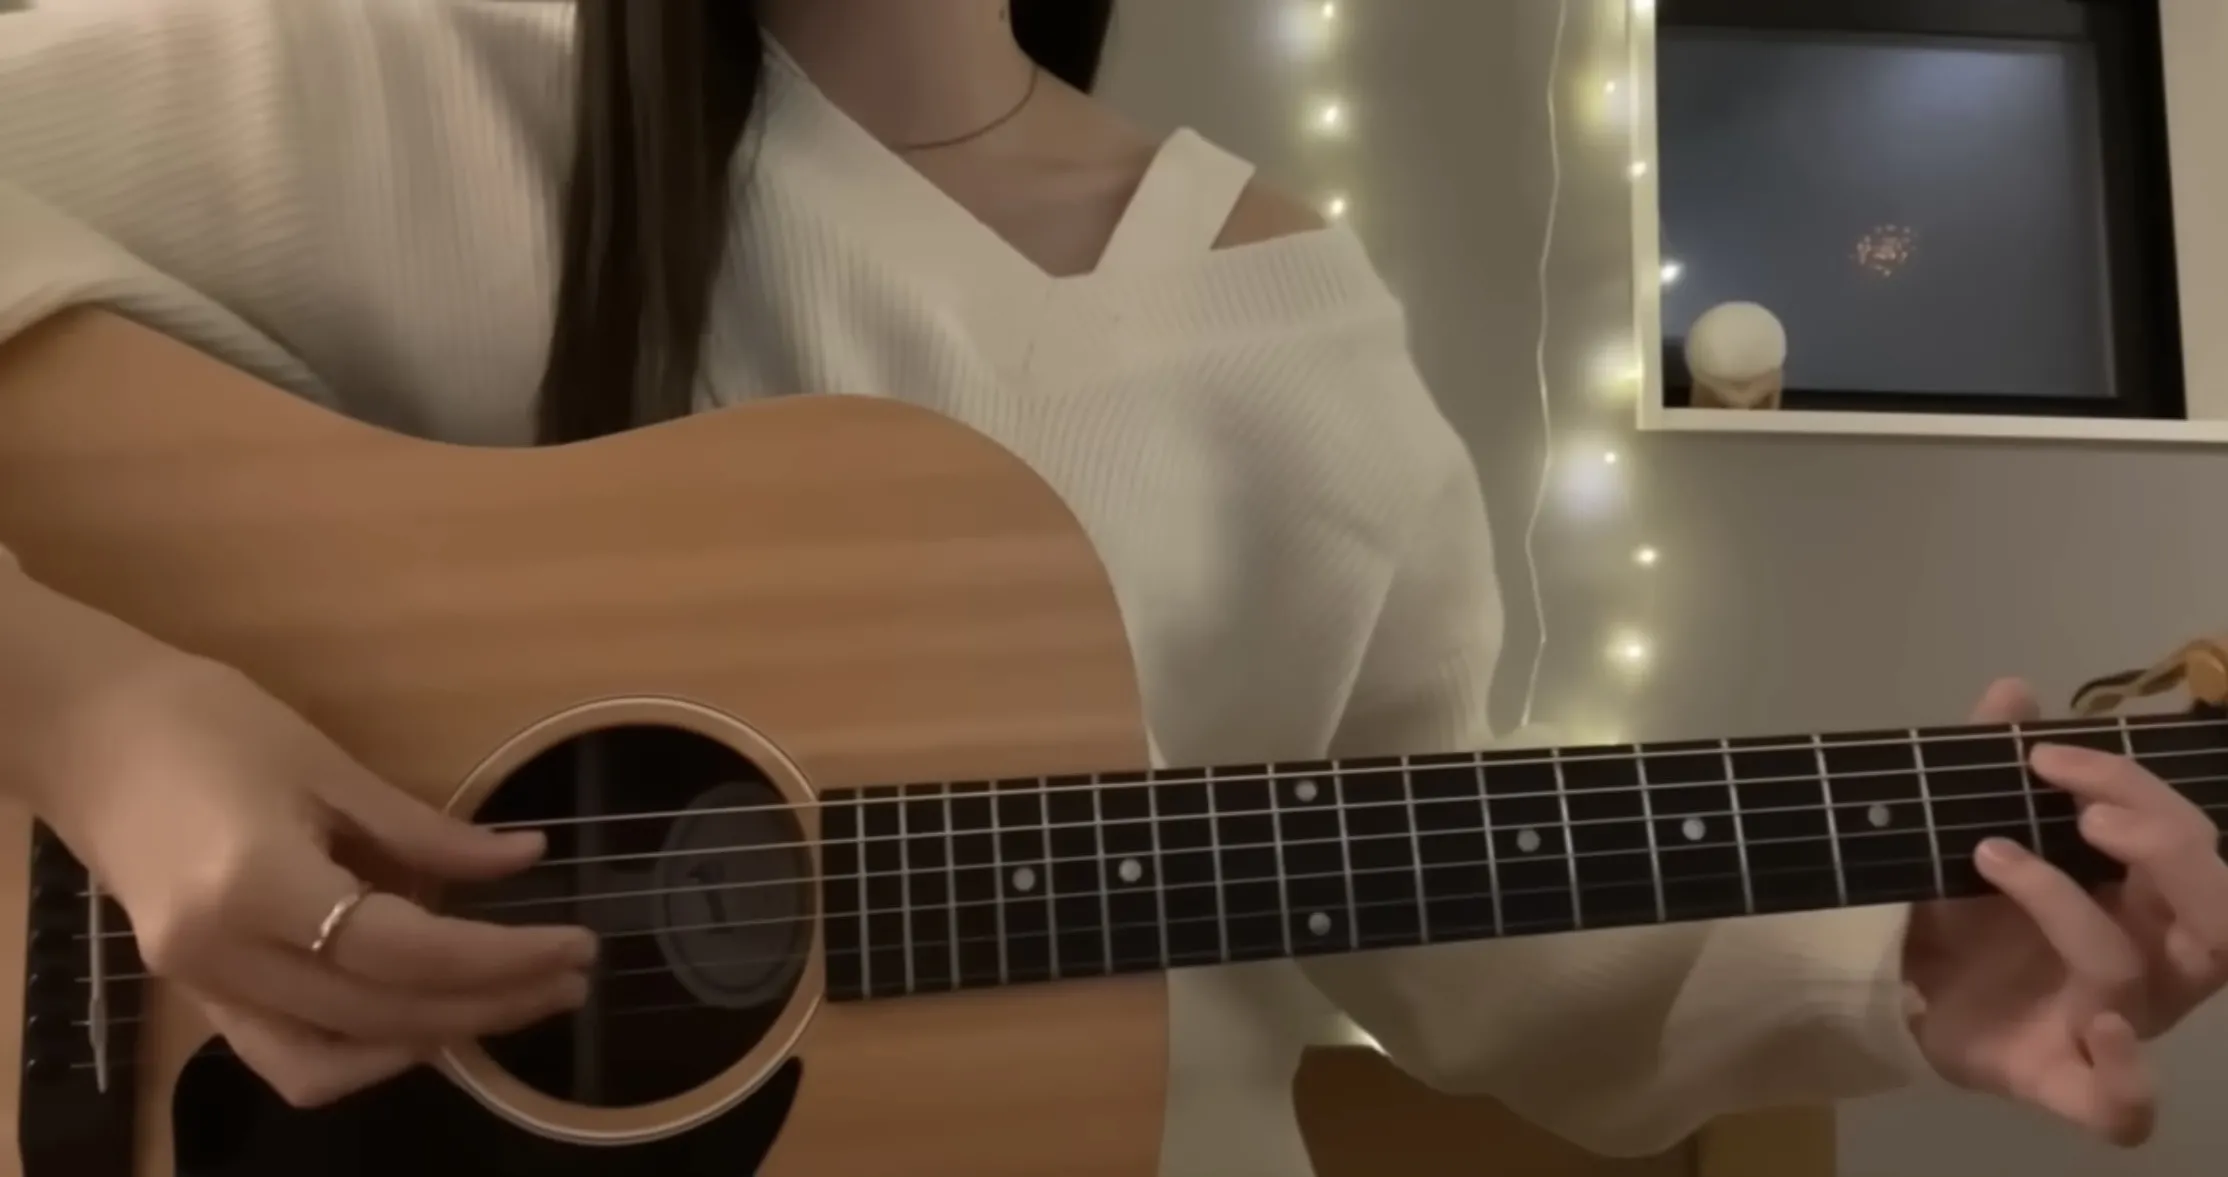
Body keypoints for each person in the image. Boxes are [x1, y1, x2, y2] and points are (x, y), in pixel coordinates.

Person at [0, 1, 2220, 1173]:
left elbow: (1455, 938)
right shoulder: (350, 84)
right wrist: (88, 710)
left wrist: (1890, 966)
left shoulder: (1295, 324)